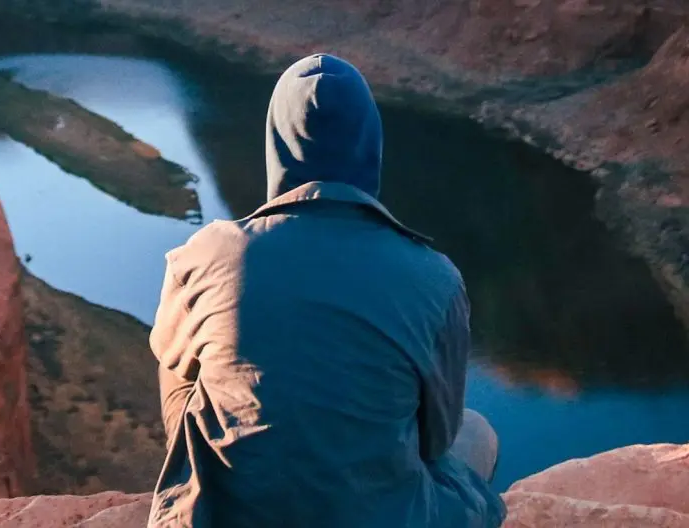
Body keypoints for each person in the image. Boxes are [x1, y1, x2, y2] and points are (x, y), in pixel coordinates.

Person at [148, 53, 507, 527]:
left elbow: (176, 372)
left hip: (224, 515)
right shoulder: (435, 278)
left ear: (276, 141)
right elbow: (435, 440)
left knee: (179, 363)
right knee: (476, 433)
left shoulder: (208, 252)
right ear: (370, 144)